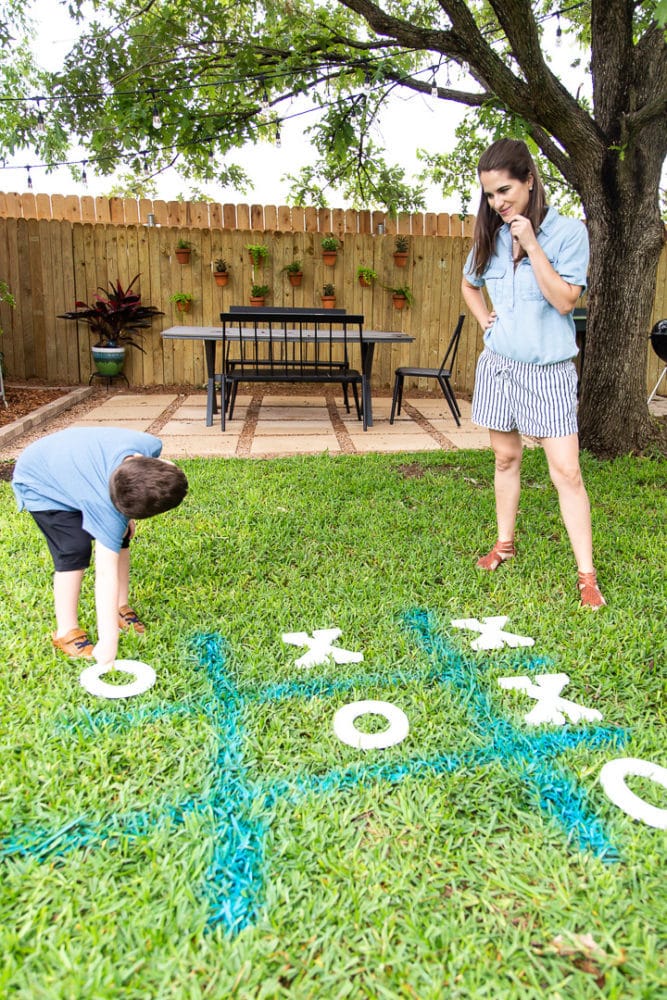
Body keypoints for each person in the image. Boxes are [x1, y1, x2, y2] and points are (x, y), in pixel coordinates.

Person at [461, 138, 605, 608]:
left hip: (548, 372)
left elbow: (565, 300)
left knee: (567, 471)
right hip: (500, 367)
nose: (497, 203)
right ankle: (504, 544)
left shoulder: (567, 234)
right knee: (505, 459)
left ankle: (587, 576)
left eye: (504, 191)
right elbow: (469, 284)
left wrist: (531, 243)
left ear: (529, 181)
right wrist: (486, 321)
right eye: (488, 195)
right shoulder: (491, 235)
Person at [12, 427, 189, 665]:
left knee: (122, 534)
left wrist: (127, 519)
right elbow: (104, 576)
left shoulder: (148, 445)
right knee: (74, 548)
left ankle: (120, 606)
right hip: (42, 482)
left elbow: (141, 484)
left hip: (73, 468)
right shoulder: (105, 508)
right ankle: (67, 631)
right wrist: (108, 643)